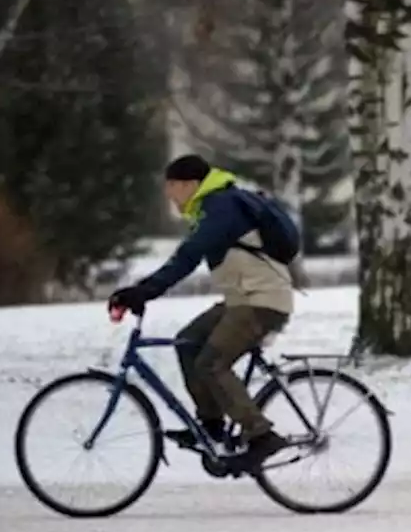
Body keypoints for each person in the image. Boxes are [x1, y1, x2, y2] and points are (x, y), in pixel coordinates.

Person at [107, 155, 295, 472]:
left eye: (172, 188)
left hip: (261, 301)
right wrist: (144, 290)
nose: (169, 196)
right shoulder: (214, 207)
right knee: (188, 342)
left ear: (190, 185)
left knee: (212, 363)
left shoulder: (222, 207)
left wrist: (144, 290)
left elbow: (188, 257)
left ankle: (261, 435)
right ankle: (212, 426)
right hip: (243, 299)